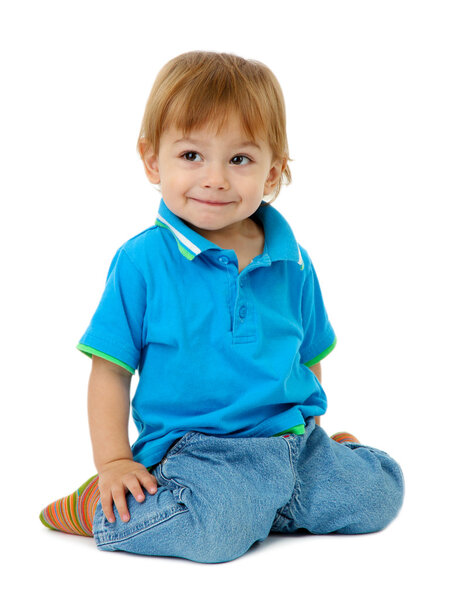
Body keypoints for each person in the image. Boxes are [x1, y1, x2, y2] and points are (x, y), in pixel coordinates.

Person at [39, 51, 404, 562]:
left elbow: (308, 356)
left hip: (292, 442)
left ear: (273, 171)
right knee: (212, 537)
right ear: (151, 160)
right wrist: (115, 461)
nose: (215, 178)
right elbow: (110, 370)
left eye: (239, 160)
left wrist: (313, 429)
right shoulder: (143, 260)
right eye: (192, 156)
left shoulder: (293, 261)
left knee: (382, 495)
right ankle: (97, 509)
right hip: (200, 451)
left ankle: (286, 493)